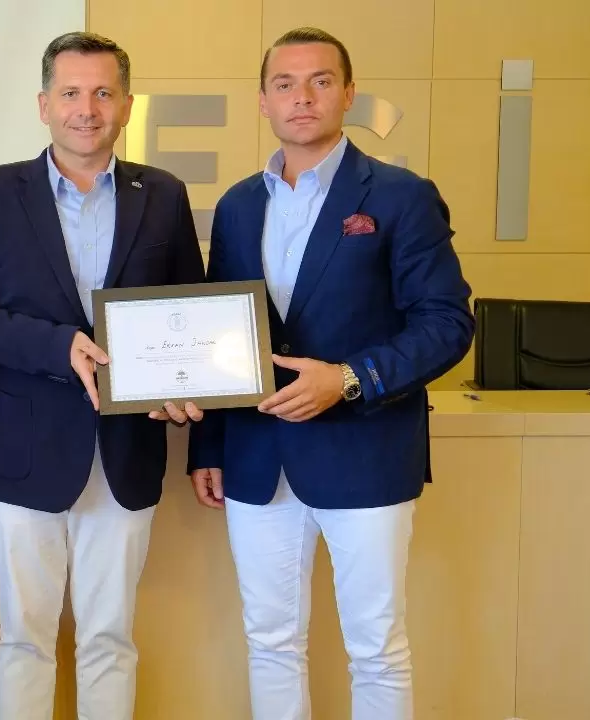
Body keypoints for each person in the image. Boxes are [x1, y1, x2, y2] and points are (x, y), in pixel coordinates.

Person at [187, 27, 475, 720]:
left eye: (320, 81)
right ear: (263, 101)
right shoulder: (238, 206)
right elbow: (223, 335)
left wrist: (348, 378)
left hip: (364, 451)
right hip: (258, 458)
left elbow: (447, 322)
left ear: (348, 94)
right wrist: (208, 447)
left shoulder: (401, 196)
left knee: (376, 646)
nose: (302, 97)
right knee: (269, 641)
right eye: (284, 84)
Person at [0, 31, 206, 720]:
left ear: (126, 104)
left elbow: (189, 313)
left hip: (127, 450)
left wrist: (185, 384)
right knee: (23, 639)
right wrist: (56, 345)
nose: (86, 109)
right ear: (43, 104)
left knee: (110, 637)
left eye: (102, 93)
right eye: (70, 93)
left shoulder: (164, 194)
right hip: (22, 451)